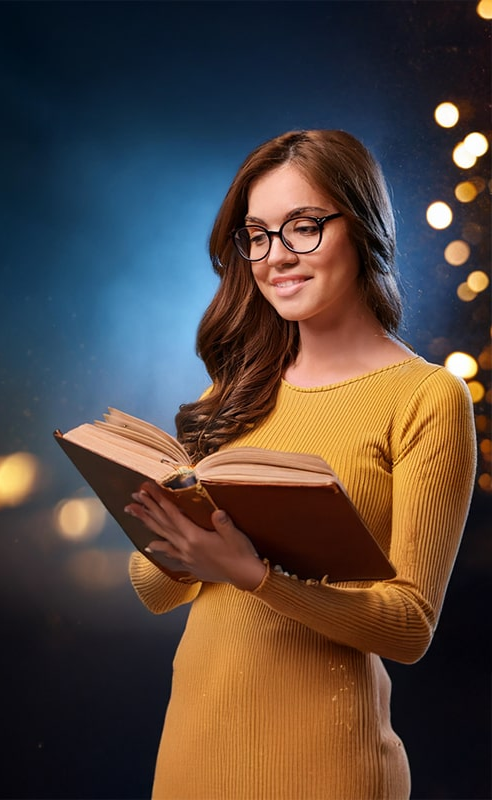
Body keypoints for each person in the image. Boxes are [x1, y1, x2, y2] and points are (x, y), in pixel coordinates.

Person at [124, 129, 476, 800]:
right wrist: (177, 539)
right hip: (192, 757)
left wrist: (255, 575)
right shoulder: (230, 396)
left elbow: (408, 628)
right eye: (256, 235)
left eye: (303, 228)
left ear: (363, 228)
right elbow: (152, 590)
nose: (274, 257)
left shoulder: (426, 398)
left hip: (328, 769)